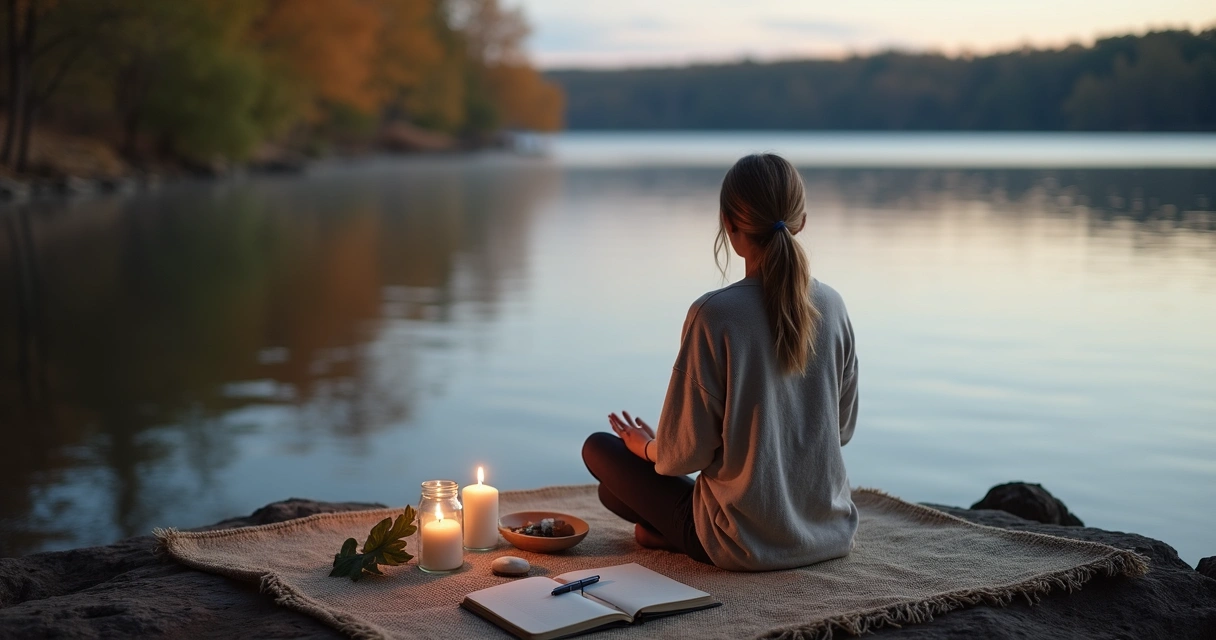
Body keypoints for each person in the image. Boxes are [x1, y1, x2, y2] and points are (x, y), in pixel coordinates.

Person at [581, 153, 860, 572]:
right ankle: (660, 534)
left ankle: (669, 538)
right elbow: (842, 429)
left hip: (742, 544)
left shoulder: (715, 315)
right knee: (613, 493)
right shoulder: (833, 306)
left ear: (730, 225)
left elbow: (680, 460)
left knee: (600, 450)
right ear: (802, 221)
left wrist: (647, 446)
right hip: (829, 533)